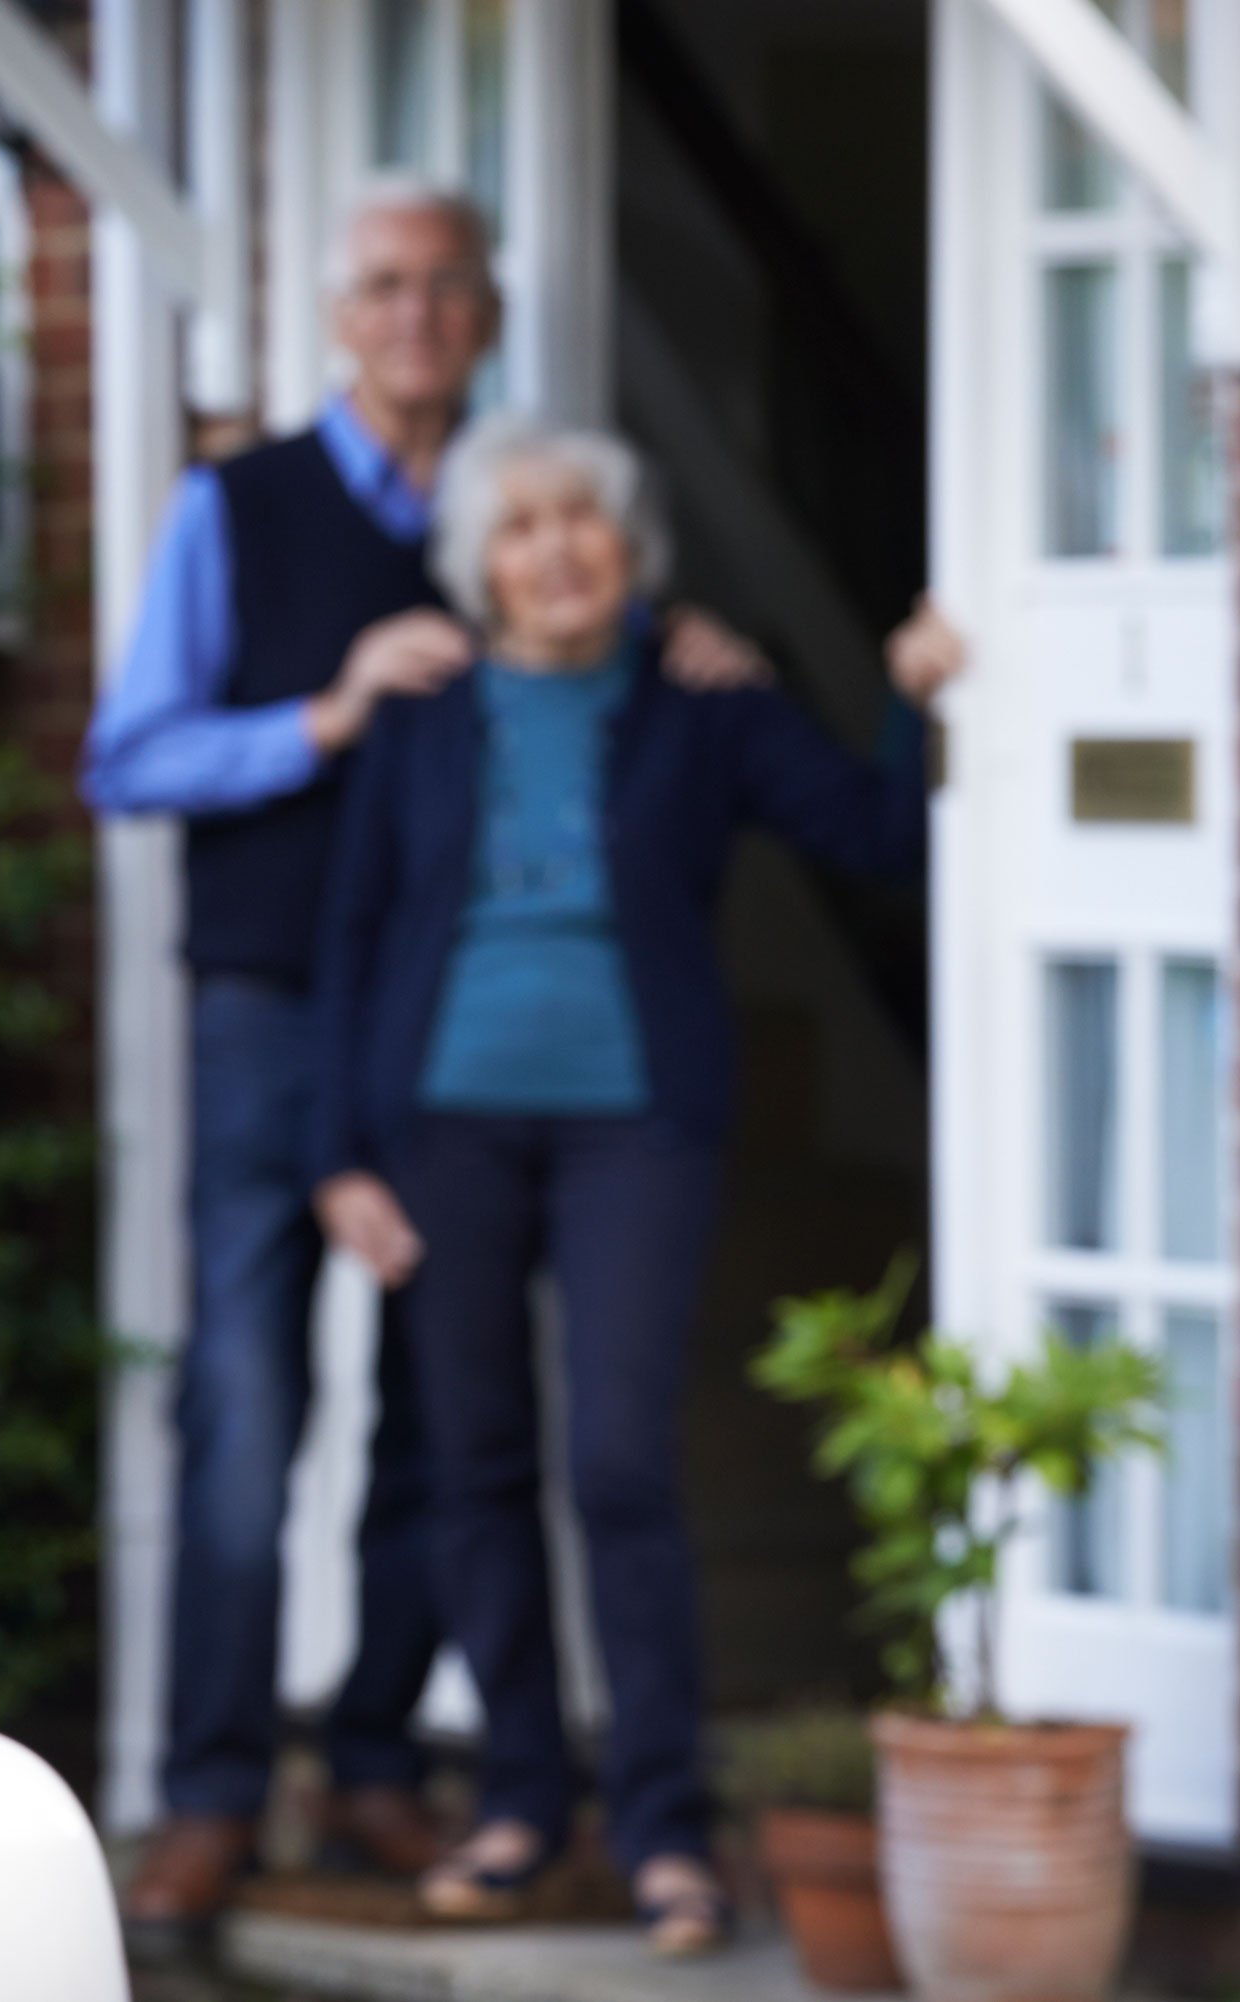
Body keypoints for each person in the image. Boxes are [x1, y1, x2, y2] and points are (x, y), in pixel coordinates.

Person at [85, 181, 766, 1926]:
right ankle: (216, 1791)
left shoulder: (523, 511)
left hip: (458, 1026)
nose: (417, 315)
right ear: (340, 312)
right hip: (269, 1002)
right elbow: (127, 756)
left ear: (486, 310)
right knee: (249, 1403)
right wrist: (324, 714)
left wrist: (692, 655)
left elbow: (602, 681)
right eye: (386, 285)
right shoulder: (239, 505)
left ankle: (377, 1761)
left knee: (431, 1417)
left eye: (449, 286)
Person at [307, 413, 962, 1956]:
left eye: (582, 521)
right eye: (522, 527)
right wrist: (339, 1156)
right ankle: (524, 1797)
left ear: (629, 544)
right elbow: (352, 940)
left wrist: (905, 699)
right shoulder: (424, 709)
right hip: (443, 1121)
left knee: (615, 1460)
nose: (555, 552)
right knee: (474, 1461)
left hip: (636, 1121)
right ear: (482, 563)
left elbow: (876, 831)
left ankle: (666, 1824)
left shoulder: (699, 696)